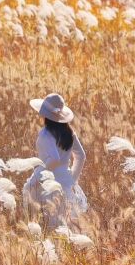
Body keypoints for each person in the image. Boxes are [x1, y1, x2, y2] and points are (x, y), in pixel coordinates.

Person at [22, 93, 87, 229]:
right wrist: (71, 179)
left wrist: (37, 176)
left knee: (50, 227)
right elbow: (81, 156)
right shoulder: (69, 132)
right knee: (68, 226)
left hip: (49, 184)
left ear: (45, 114)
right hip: (66, 183)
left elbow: (54, 159)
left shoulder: (46, 134)